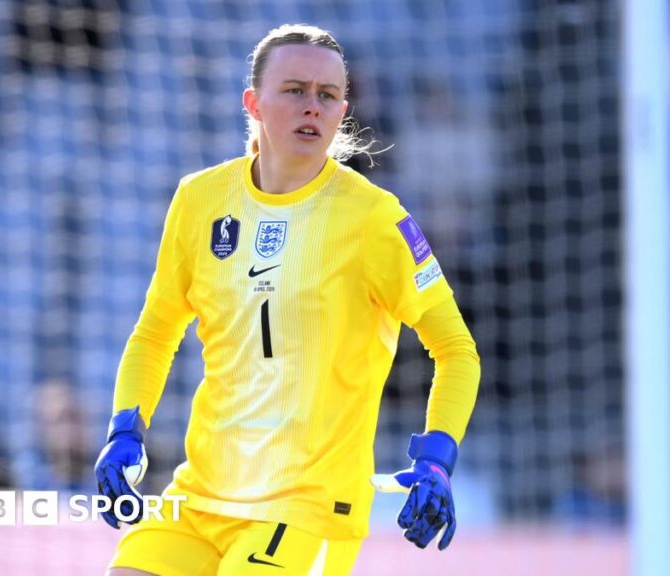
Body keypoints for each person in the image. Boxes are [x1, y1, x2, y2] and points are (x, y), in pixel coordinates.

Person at [95, 24, 480, 576]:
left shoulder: (375, 219)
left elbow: (456, 350)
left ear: (342, 111)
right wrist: (125, 430)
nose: (313, 106)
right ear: (253, 102)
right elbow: (155, 333)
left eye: (328, 95)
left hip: (308, 509)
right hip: (201, 497)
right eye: (295, 90)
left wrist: (438, 459)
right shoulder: (199, 199)